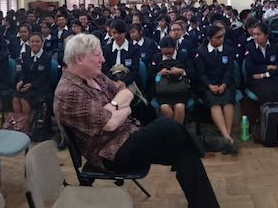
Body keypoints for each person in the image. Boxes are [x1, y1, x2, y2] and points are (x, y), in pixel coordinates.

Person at [54, 34, 220, 208]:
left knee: (185, 151)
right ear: (79, 59)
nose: (103, 59)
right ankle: (204, 142)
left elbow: (127, 90)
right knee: (166, 125)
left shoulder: (94, 75)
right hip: (111, 153)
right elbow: (110, 124)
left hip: (128, 135)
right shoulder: (69, 92)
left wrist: (114, 106)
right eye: (97, 55)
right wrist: (122, 108)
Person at [193, 25, 238, 153]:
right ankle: (228, 138)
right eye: (217, 37)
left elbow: (229, 69)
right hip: (208, 86)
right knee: (215, 105)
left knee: (228, 103)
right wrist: (209, 85)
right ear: (209, 39)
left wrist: (224, 84)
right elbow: (201, 73)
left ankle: (226, 137)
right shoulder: (201, 51)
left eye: (222, 36)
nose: (221, 40)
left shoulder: (228, 49)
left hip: (226, 84)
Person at [242, 23, 278, 127]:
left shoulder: (274, 47)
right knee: (267, 92)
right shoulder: (250, 48)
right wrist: (267, 67)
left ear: (266, 35)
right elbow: (250, 69)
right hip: (256, 81)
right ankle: (266, 122)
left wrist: (264, 74)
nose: (255, 37)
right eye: (254, 34)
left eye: (258, 34)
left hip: (271, 78)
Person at [14, 34, 56, 140]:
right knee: (15, 98)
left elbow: (45, 76)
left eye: (37, 41)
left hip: (41, 87)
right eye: (32, 41)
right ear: (29, 43)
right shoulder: (25, 55)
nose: (35, 44)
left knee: (24, 99)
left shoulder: (47, 56)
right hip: (27, 84)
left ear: (42, 43)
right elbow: (24, 72)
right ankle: (19, 124)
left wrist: (32, 85)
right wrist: (21, 81)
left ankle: (28, 127)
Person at [151, 37, 191, 124]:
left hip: (180, 90)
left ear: (174, 48)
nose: (167, 55)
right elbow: (150, 76)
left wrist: (181, 71)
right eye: (165, 53)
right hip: (163, 91)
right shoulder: (156, 57)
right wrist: (159, 74)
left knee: (179, 107)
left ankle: (177, 132)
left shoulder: (183, 56)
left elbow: (193, 72)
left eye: (170, 52)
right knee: (165, 108)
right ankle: (171, 131)